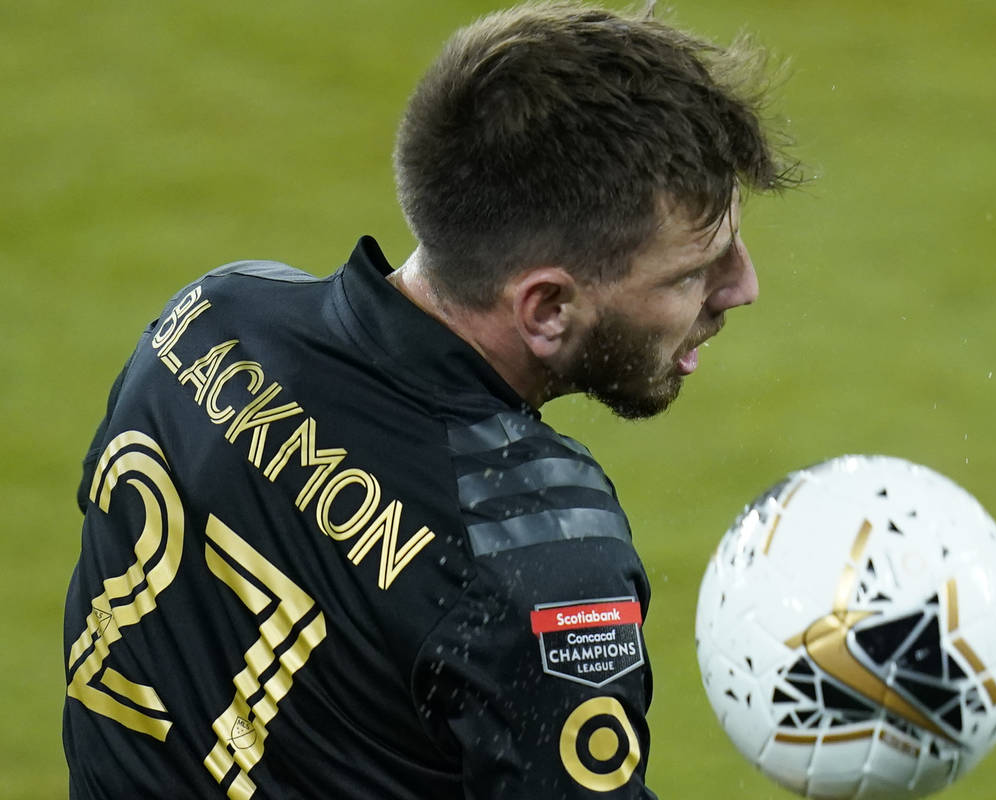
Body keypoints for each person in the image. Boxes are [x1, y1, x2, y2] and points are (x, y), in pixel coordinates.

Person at [62, 2, 797, 797]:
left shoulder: (207, 322)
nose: (743, 288)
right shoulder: (529, 550)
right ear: (546, 308)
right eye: (693, 272)